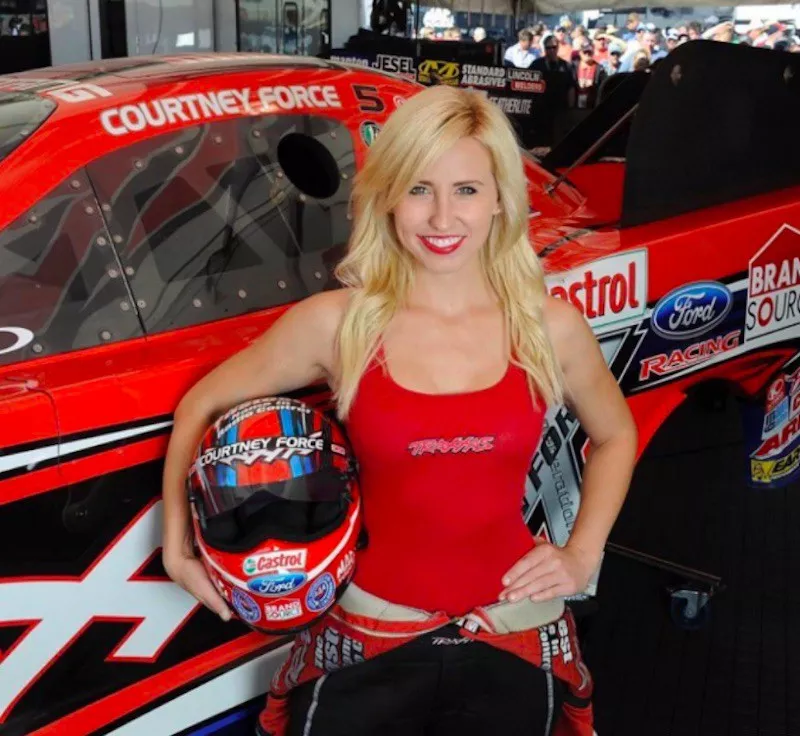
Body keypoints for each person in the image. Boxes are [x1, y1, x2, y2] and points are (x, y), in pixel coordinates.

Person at [162, 85, 638, 735]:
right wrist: (177, 549)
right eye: (419, 189)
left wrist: (583, 554)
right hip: (369, 634)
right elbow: (202, 403)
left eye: (466, 190)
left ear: (501, 197)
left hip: (514, 631)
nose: (443, 218)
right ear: (387, 197)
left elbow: (615, 435)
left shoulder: (549, 328)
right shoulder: (338, 324)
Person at [573, 38, 608, 109]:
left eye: (589, 52)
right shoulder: (573, 67)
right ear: (580, 52)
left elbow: (603, 88)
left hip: (592, 107)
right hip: (575, 106)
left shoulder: (600, 69)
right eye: (585, 52)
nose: (587, 54)